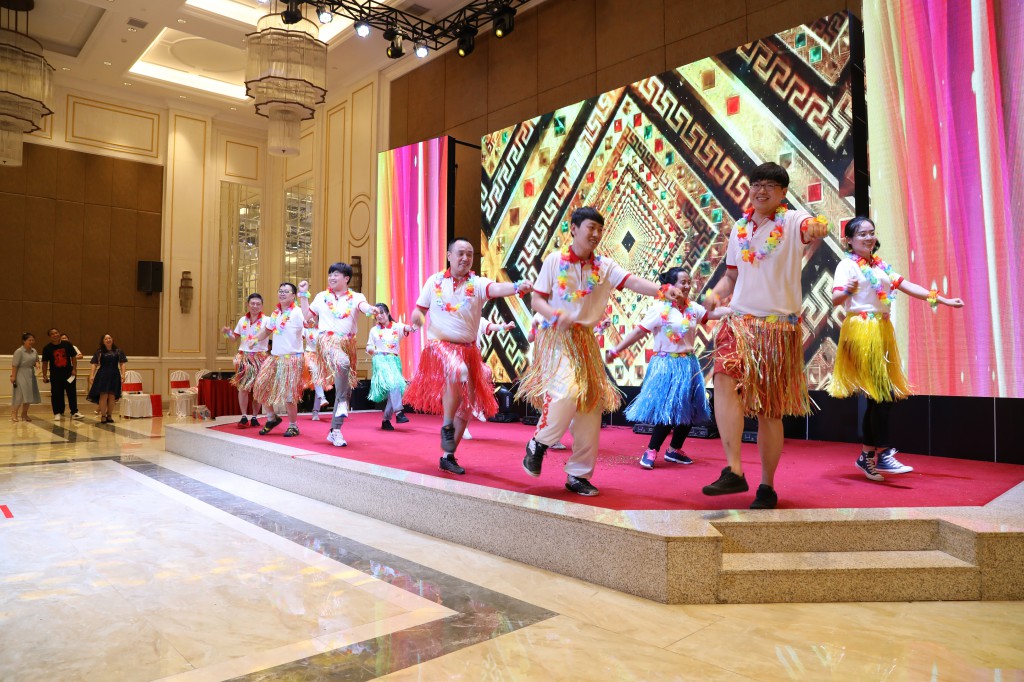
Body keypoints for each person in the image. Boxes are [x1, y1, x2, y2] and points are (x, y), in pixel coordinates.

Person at [517, 206, 685, 496]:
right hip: (556, 338)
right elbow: (537, 300)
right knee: (567, 392)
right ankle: (539, 442)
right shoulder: (555, 261)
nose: (595, 234)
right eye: (590, 228)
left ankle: (578, 475)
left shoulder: (604, 266)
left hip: (586, 341)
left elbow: (632, 281)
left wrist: (662, 290)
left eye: (599, 229)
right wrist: (555, 315)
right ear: (574, 228)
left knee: (591, 407)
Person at [700, 162, 831, 509]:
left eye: (770, 186)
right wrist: (715, 294)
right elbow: (731, 277)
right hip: (739, 322)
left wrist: (819, 226)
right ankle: (733, 469)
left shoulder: (792, 220)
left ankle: (767, 486)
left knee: (769, 412)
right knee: (723, 378)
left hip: (777, 329)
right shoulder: (739, 228)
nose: (761, 191)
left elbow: (810, 227)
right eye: (756, 184)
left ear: (783, 193)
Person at [829, 216, 964, 480]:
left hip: (881, 331)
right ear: (849, 240)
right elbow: (835, 298)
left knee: (877, 397)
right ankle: (883, 453)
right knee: (883, 395)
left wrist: (943, 300)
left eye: (871, 232)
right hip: (860, 332)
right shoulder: (847, 265)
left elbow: (906, 285)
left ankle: (867, 456)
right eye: (862, 234)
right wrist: (848, 290)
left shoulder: (879, 265)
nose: (869, 238)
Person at [405, 237, 533, 474]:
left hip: (469, 350)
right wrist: (417, 318)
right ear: (449, 256)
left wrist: (516, 286)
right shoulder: (434, 282)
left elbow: (496, 289)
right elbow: (420, 310)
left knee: (467, 407)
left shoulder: (477, 284)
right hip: (440, 346)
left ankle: (448, 456)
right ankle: (446, 425)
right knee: (458, 370)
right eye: (460, 253)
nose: (465, 258)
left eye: (470, 254)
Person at [607, 268, 730, 469]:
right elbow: (639, 332)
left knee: (692, 409)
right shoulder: (659, 309)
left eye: (689, 282)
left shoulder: (692, 308)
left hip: (689, 364)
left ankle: (674, 449)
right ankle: (651, 450)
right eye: (683, 282)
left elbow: (712, 314)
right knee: (669, 409)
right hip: (666, 365)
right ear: (671, 286)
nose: (688, 286)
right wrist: (617, 349)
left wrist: (737, 310)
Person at [299, 263, 379, 447]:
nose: (332, 278)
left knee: (346, 389)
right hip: (327, 341)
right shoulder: (321, 297)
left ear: (346, 278)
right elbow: (307, 316)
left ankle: (335, 431)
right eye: (330, 275)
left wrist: (371, 309)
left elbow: (363, 306)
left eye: (336, 274)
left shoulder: (356, 297)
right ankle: (342, 402)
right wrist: (303, 294)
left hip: (348, 344)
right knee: (342, 363)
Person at [252, 283, 306, 437]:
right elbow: (266, 330)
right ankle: (272, 418)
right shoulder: (275, 314)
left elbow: (307, 326)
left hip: (292, 359)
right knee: (260, 387)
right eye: (280, 291)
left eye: (286, 291)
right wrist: (254, 339)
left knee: (289, 396)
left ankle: (293, 426)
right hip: (275, 358)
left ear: (293, 296)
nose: (282, 294)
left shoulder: (298, 312)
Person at [462, 317, 516, 440]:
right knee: (461, 394)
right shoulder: (459, 317)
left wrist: (504, 327)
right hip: (458, 356)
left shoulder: (479, 320)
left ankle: (470, 416)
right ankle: (453, 425)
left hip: (473, 358)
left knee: (485, 373)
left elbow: (493, 326)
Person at [221, 293, 268, 428]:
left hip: (260, 357)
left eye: (258, 304)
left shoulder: (266, 320)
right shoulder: (242, 320)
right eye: (252, 303)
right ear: (247, 305)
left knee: (258, 389)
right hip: (244, 358)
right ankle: (243, 416)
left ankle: (254, 416)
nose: (255, 306)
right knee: (243, 388)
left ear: (262, 306)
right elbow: (234, 338)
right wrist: (227, 333)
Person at [366, 303, 414, 431]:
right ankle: (399, 412)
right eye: (377, 314)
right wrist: (372, 350)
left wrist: (414, 326)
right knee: (394, 384)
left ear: (387, 313)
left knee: (395, 388)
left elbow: (408, 328)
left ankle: (386, 420)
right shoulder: (374, 330)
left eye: (382, 313)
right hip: (380, 360)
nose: (379, 316)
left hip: (394, 361)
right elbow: (369, 346)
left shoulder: (397, 327)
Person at [41, 327, 83, 420]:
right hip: (55, 375)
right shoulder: (47, 348)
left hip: (69, 373)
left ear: (59, 333)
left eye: (56, 333)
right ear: (50, 336)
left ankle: (74, 412)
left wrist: (74, 369)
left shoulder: (67, 344)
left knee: (71, 393)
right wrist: (44, 375)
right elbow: (45, 363)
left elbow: (73, 357)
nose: (55, 335)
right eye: (52, 334)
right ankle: (57, 412)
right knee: (56, 394)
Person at [87, 334, 127, 423]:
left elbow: (122, 363)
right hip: (103, 374)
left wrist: (123, 374)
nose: (108, 340)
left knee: (112, 396)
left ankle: (109, 415)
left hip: (114, 375)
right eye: (106, 339)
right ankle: (103, 415)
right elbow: (94, 364)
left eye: (109, 338)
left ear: (112, 339)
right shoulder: (100, 351)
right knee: (104, 395)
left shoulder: (118, 351)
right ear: (103, 341)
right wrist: (91, 375)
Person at [303, 317, 332, 421]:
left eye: (314, 317)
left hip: (321, 358)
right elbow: (297, 338)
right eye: (310, 317)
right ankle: (322, 398)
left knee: (318, 382)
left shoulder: (324, 331)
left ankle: (315, 411)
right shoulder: (306, 329)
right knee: (314, 371)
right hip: (309, 356)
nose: (312, 319)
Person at [10, 332, 41, 422]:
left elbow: (36, 360)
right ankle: (14, 413)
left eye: (33, 340)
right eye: (29, 340)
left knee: (29, 394)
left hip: (30, 374)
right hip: (20, 373)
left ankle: (24, 414)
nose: (31, 342)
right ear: (24, 341)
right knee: (19, 394)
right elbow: (14, 365)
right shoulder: (19, 351)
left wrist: (37, 364)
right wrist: (13, 376)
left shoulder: (34, 351)